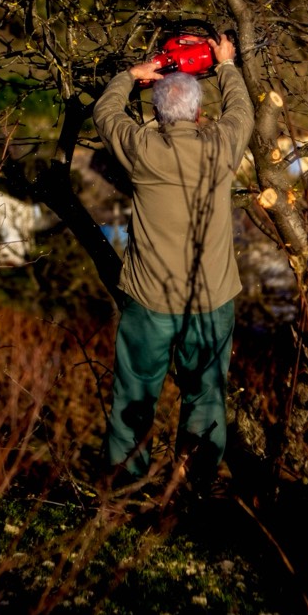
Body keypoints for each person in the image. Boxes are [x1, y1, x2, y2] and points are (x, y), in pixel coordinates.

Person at [93, 33, 254, 487]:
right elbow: (243, 113)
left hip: (149, 302)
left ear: (159, 113)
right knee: (206, 397)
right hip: (211, 300)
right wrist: (226, 66)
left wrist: (129, 76)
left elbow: (106, 114)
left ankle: (127, 488)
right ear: (200, 114)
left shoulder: (142, 151)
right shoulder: (220, 149)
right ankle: (195, 485)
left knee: (134, 396)